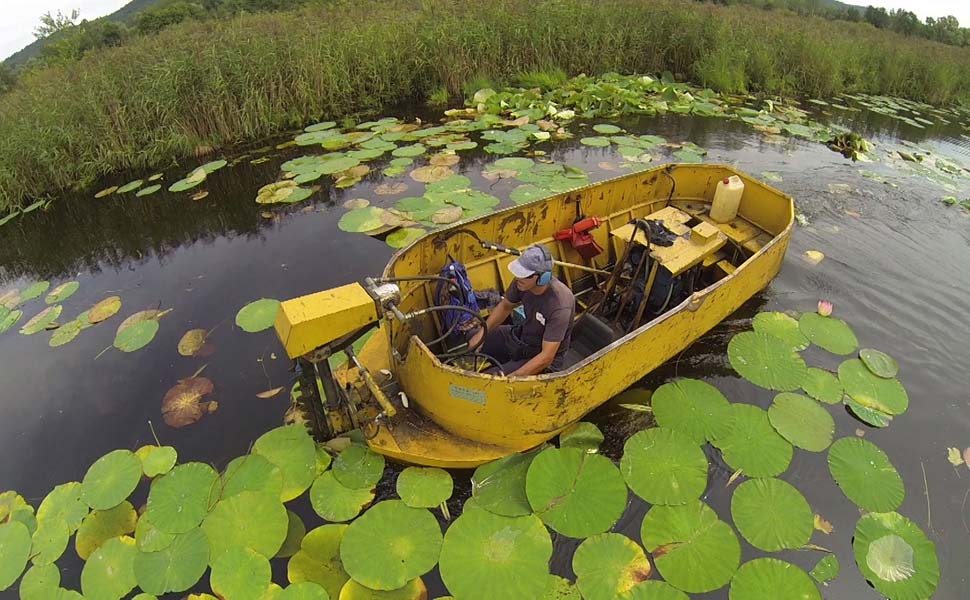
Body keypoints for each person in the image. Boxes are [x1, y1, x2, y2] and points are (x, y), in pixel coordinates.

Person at [467, 244, 575, 376]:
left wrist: (511, 378)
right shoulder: (522, 283)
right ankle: (506, 362)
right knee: (472, 336)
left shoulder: (560, 306)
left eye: (525, 275)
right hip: (523, 337)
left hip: (541, 356)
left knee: (491, 381)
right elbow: (505, 307)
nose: (518, 277)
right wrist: (482, 335)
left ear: (543, 277)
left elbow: (546, 357)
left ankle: (507, 368)